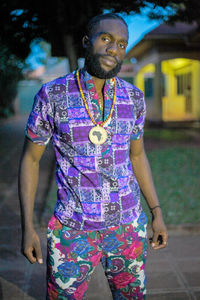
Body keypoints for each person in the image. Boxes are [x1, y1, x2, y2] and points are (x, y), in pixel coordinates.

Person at [18, 13, 168, 300]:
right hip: (72, 231)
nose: (114, 49)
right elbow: (30, 160)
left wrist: (156, 212)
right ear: (87, 42)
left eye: (122, 44)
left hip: (127, 228)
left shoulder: (133, 98)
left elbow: (137, 157)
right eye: (106, 39)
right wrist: (27, 227)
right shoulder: (52, 95)